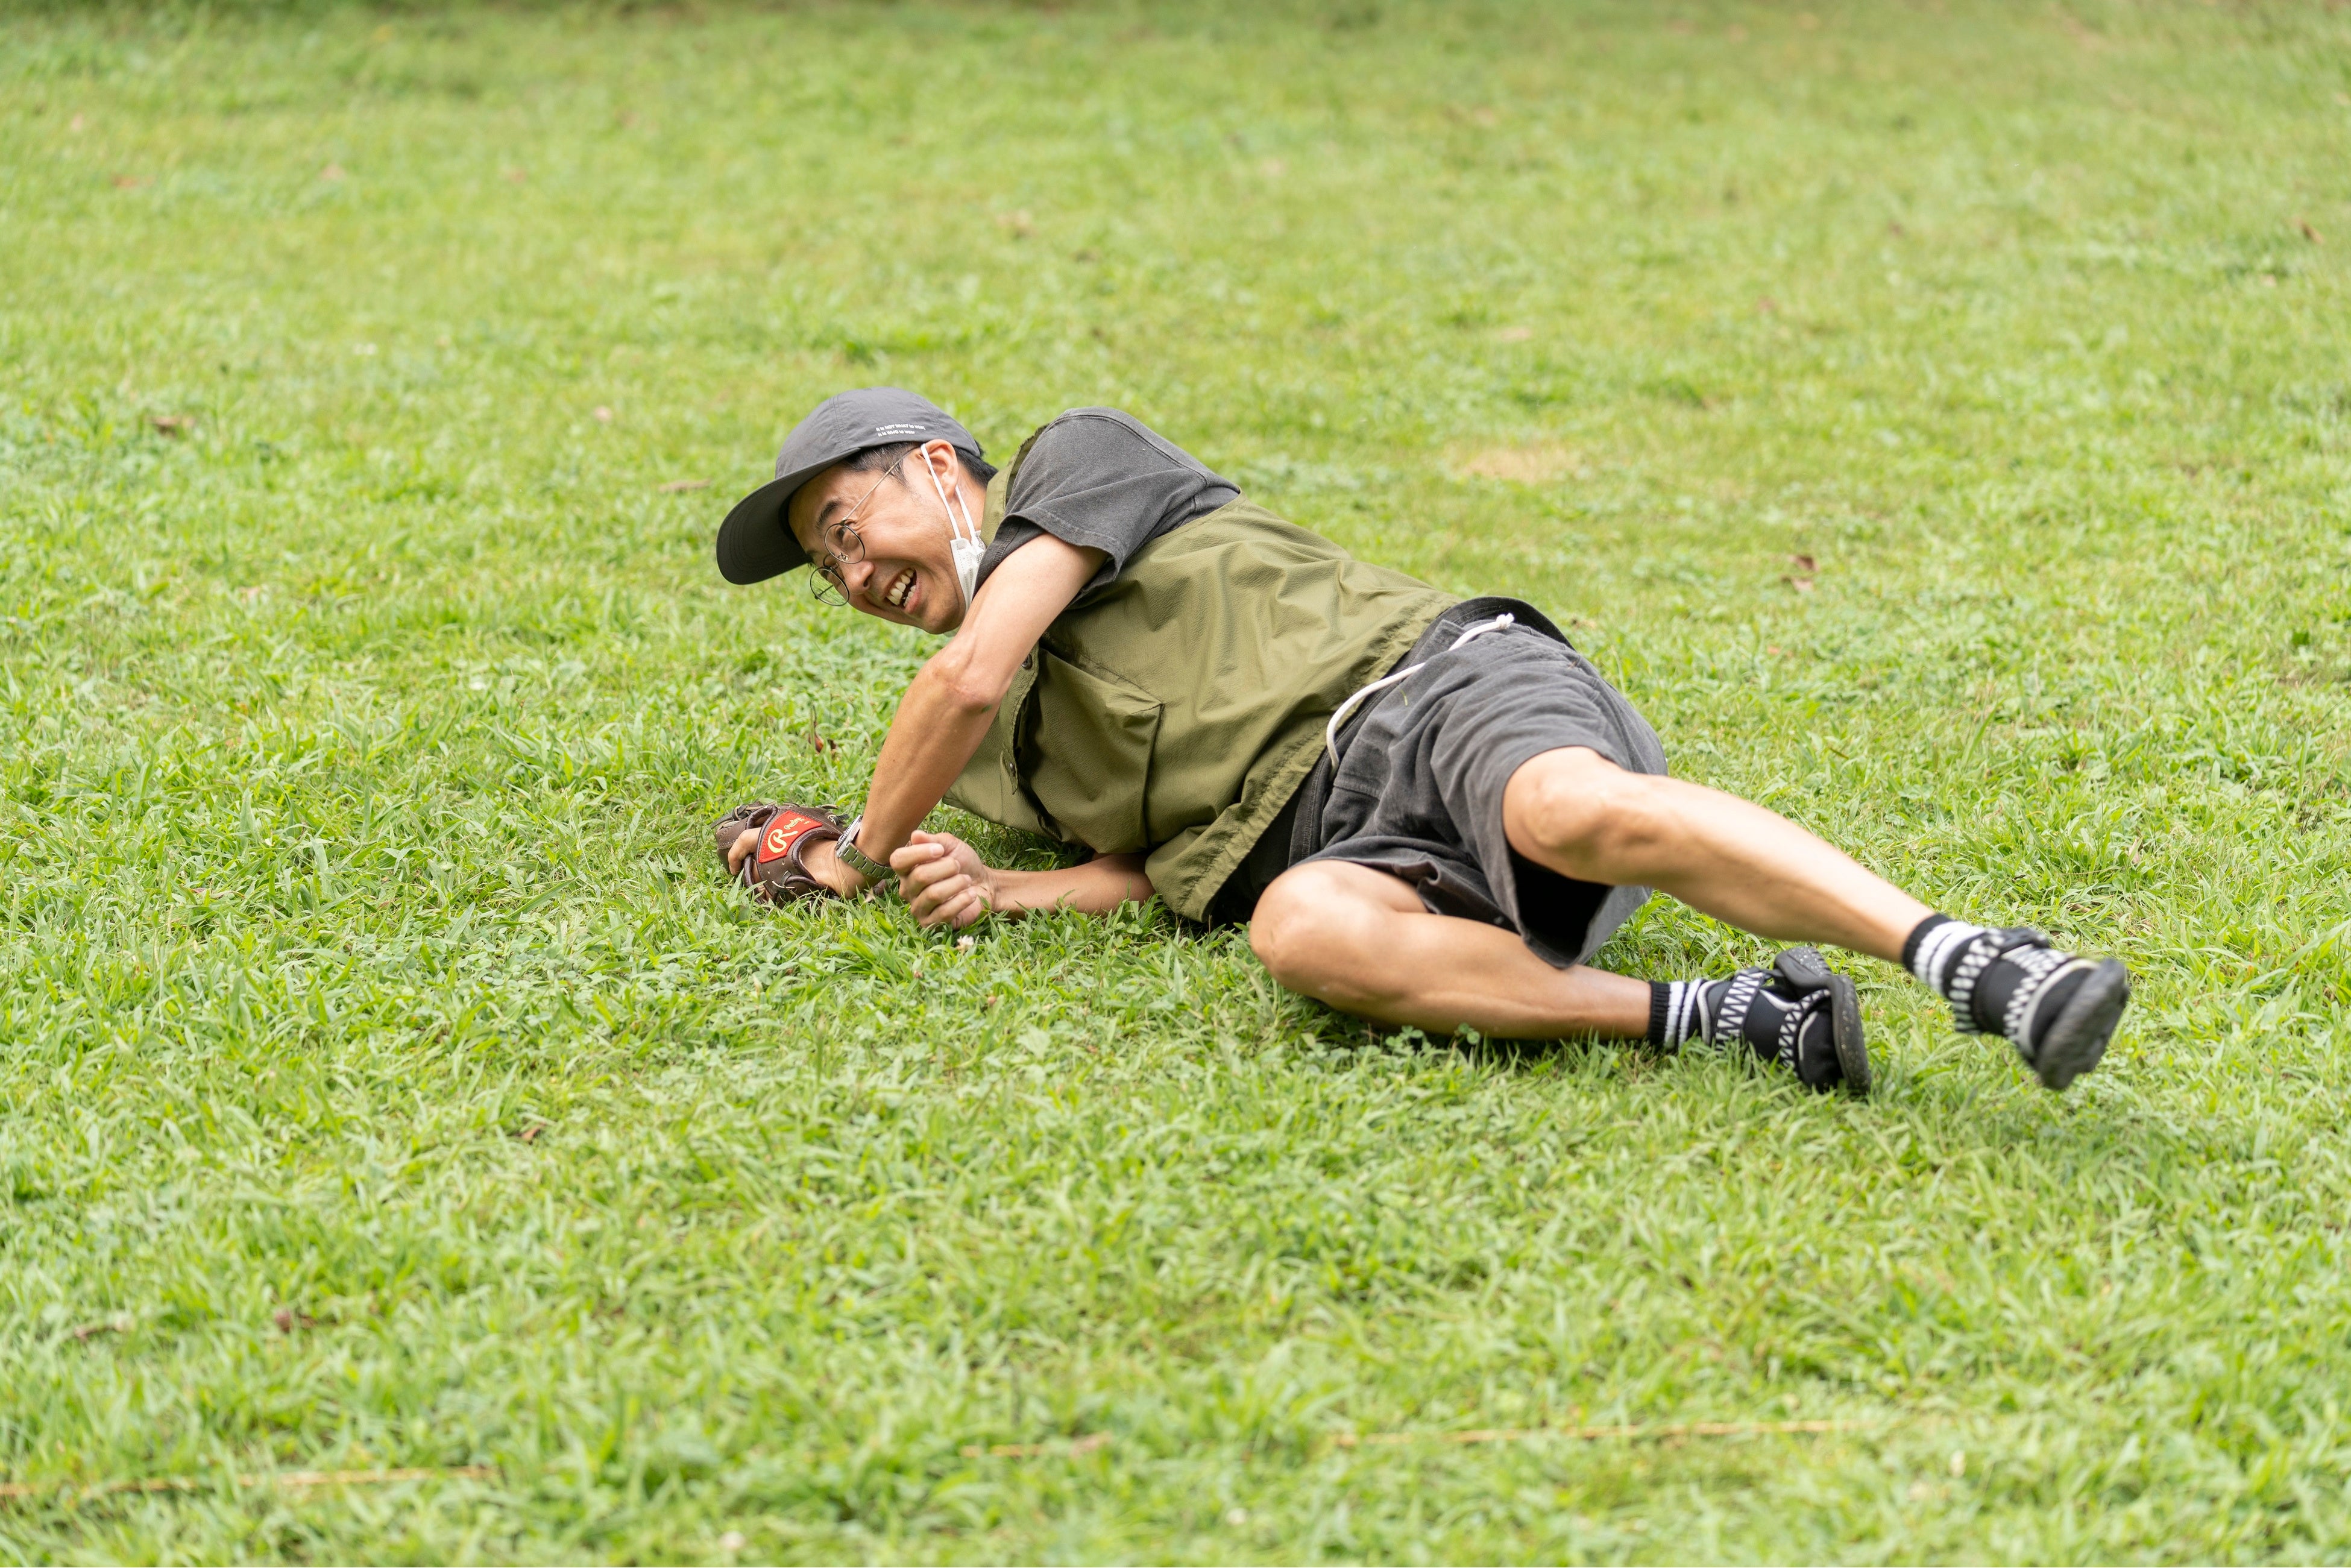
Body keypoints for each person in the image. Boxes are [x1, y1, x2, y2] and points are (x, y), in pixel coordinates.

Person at [710, 388, 2130, 1094]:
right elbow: (1146, 869)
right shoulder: (999, 755)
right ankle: (1743, 1016)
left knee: (1565, 809)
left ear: (944, 470)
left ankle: (1974, 960)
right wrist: (1007, 887)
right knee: (1301, 934)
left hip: (1436, 695)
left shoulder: (1075, 466)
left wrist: (854, 854)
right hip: (1355, 848)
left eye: (851, 531)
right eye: (831, 575)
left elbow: (965, 669)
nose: (854, 578)